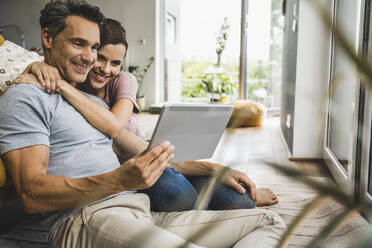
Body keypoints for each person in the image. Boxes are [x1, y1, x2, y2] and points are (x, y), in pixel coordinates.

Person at [0, 1, 285, 247]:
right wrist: (118, 180)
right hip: (86, 219)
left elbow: (144, 151)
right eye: (78, 44)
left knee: (267, 219)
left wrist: (213, 168)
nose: (89, 58)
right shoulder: (27, 96)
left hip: (140, 211)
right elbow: (31, 194)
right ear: (47, 39)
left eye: (94, 47)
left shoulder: (95, 105)